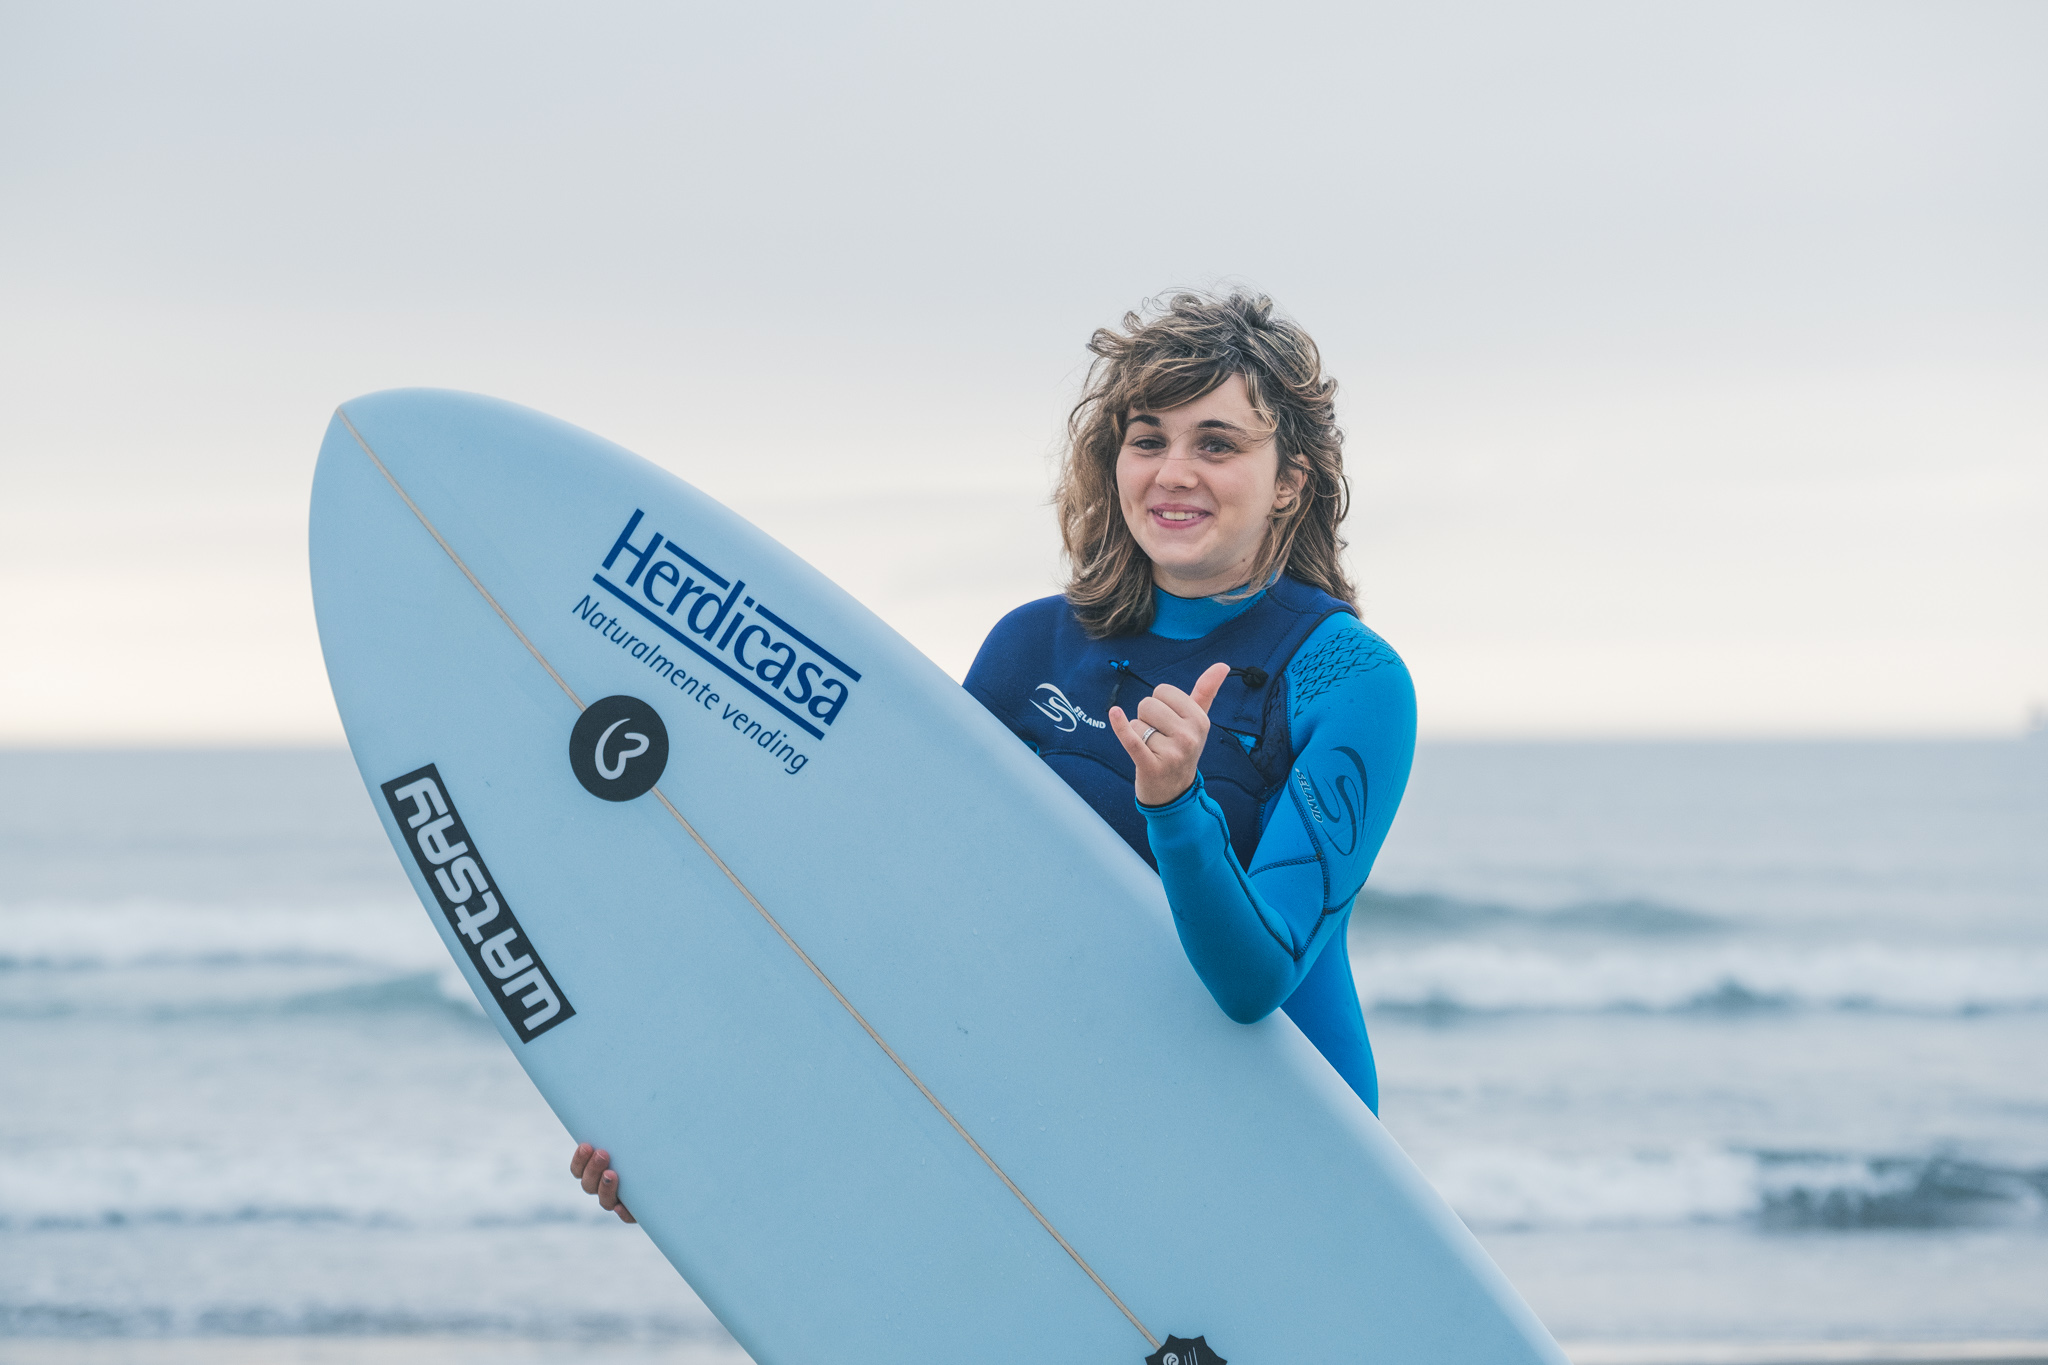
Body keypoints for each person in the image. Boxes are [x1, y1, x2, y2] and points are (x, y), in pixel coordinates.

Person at [568, 290, 1415, 1225]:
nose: (1174, 472)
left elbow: (1255, 981)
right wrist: (692, 1140)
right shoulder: (1032, 648)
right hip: (1064, 1136)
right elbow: (915, 929)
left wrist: (1177, 806)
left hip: (1282, 1167)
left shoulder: (1348, 679)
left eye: (1217, 443)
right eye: (1148, 439)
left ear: (1290, 479)